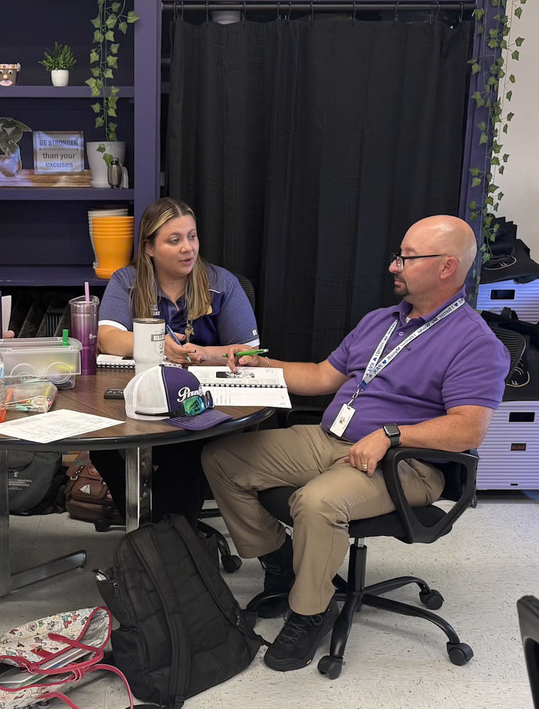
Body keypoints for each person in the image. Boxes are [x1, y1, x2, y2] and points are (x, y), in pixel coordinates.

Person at [204, 215, 509, 672]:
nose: (394, 266)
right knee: (223, 458)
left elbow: (469, 428)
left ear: (447, 267)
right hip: (333, 439)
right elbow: (322, 376)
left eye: (407, 257)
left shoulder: (475, 342)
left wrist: (391, 435)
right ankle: (282, 563)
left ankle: (310, 612)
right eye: (397, 254)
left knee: (317, 502)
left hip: (407, 464)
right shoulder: (380, 321)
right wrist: (257, 365)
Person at [91, 197, 260, 522]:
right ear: (150, 248)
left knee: (185, 448)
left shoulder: (222, 284)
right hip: (142, 401)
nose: (188, 248)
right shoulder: (126, 281)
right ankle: (155, 529)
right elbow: (108, 338)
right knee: (104, 445)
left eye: (192, 236)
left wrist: (203, 354)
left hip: (200, 404)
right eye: (174, 240)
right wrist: (159, 347)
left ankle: (171, 538)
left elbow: (248, 352)